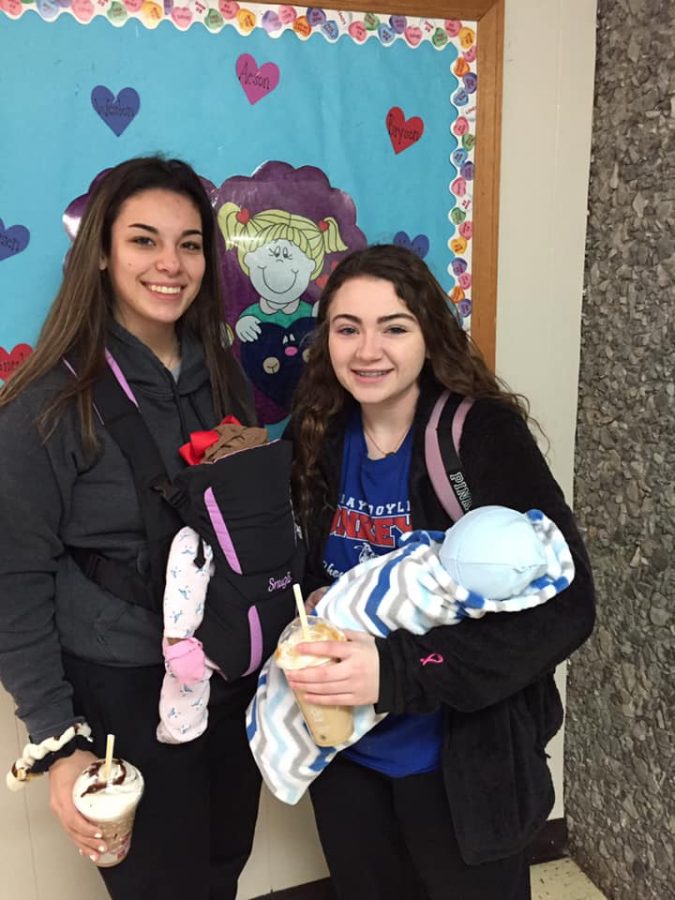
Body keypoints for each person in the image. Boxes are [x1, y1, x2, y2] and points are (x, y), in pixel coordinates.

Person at [283, 244, 595, 900]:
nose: (368, 350)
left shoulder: (477, 436)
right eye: (348, 328)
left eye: (393, 327)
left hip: (462, 770)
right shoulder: (313, 436)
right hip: (347, 761)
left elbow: (568, 607)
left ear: (430, 334)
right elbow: (294, 570)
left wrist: (393, 670)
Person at [0, 157, 264, 899]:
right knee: (159, 885)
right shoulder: (50, 402)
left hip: (227, 676)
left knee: (221, 865)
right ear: (104, 253)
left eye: (188, 243)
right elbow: (14, 579)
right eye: (145, 240)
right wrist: (60, 746)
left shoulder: (224, 375)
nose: (170, 264)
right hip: (122, 688)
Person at [248, 504, 576, 806]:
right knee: (360, 869)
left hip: (455, 769)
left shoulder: (478, 446)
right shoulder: (321, 451)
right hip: (347, 766)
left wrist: (395, 670)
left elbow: (569, 615)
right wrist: (327, 597)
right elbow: (320, 563)